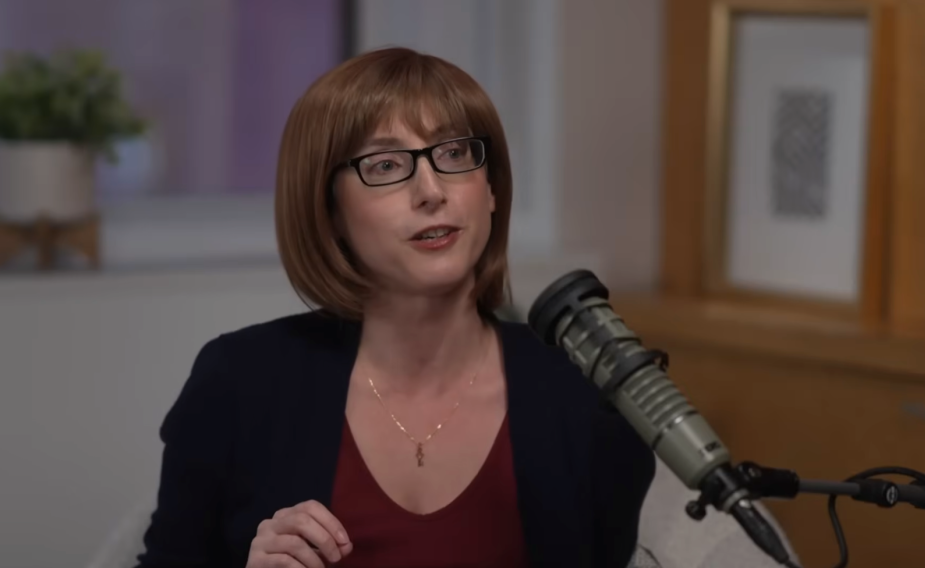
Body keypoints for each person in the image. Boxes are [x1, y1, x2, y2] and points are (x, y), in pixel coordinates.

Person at [135, 47, 654, 568]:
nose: (431, 191)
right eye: (385, 165)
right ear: (328, 211)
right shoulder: (239, 381)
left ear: (491, 189)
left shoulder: (583, 389)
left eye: (454, 153)